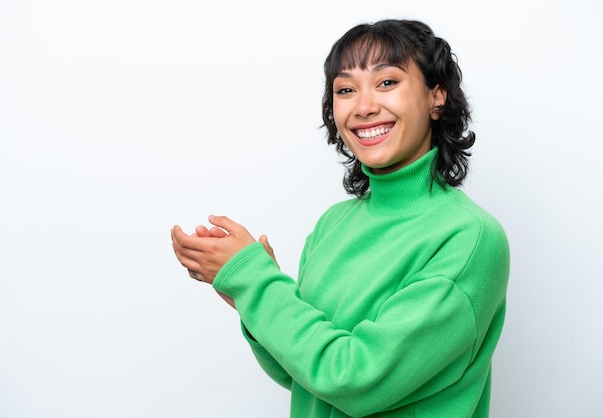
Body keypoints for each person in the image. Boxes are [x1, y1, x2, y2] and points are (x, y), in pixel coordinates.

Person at [171, 18, 510, 418]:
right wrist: (250, 298)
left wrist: (258, 284)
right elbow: (305, 375)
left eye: (387, 82)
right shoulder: (332, 225)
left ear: (437, 96)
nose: (364, 107)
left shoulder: (469, 238)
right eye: (346, 90)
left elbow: (353, 380)